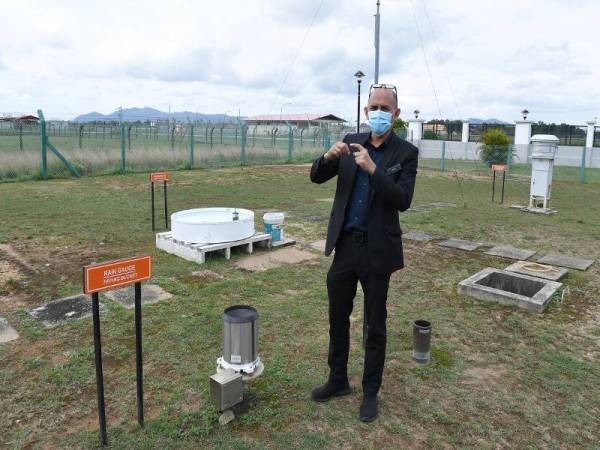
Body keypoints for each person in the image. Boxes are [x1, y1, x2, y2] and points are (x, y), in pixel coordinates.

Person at [309, 84, 418, 422]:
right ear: (366, 110)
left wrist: (373, 169)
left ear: (396, 114)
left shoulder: (406, 153)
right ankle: (337, 379)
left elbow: (403, 199)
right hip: (345, 247)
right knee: (337, 318)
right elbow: (316, 177)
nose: (379, 113)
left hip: (377, 251)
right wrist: (327, 157)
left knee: (374, 324)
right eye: (374, 107)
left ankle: (370, 392)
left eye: (385, 108)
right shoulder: (351, 139)